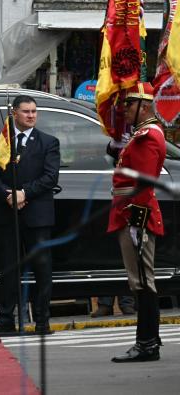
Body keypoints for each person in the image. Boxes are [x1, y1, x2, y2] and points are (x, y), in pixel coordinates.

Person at [0, 95, 60, 335]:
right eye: (26, 111)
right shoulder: (2, 140)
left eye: (34, 111)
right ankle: (6, 318)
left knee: (41, 268)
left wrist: (24, 193)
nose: (31, 115)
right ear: (14, 113)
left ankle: (41, 320)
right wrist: (8, 194)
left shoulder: (48, 142)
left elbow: (50, 177)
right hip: (8, 214)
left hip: (37, 215)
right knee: (8, 268)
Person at [108, 82, 165, 363]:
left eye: (129, 104)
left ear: (144, 106)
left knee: (142, 281)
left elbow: (144, 183)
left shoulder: (148, 136)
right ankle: (150, 338)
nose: (125, 109)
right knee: (140, 281)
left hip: (135, 214)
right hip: (129, 211)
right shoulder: (140, 135)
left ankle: (146, 343)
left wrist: (136, 219)